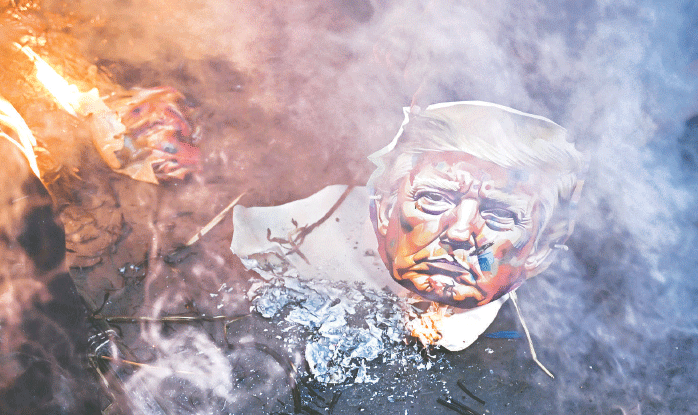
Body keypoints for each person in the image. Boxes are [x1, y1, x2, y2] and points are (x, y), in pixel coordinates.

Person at [232, 101, 584, 351]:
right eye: (434, 199)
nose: (460, 232)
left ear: (539, 251)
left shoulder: (531, 354)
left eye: (500, 215)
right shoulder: (293, 240)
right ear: (384, 210)